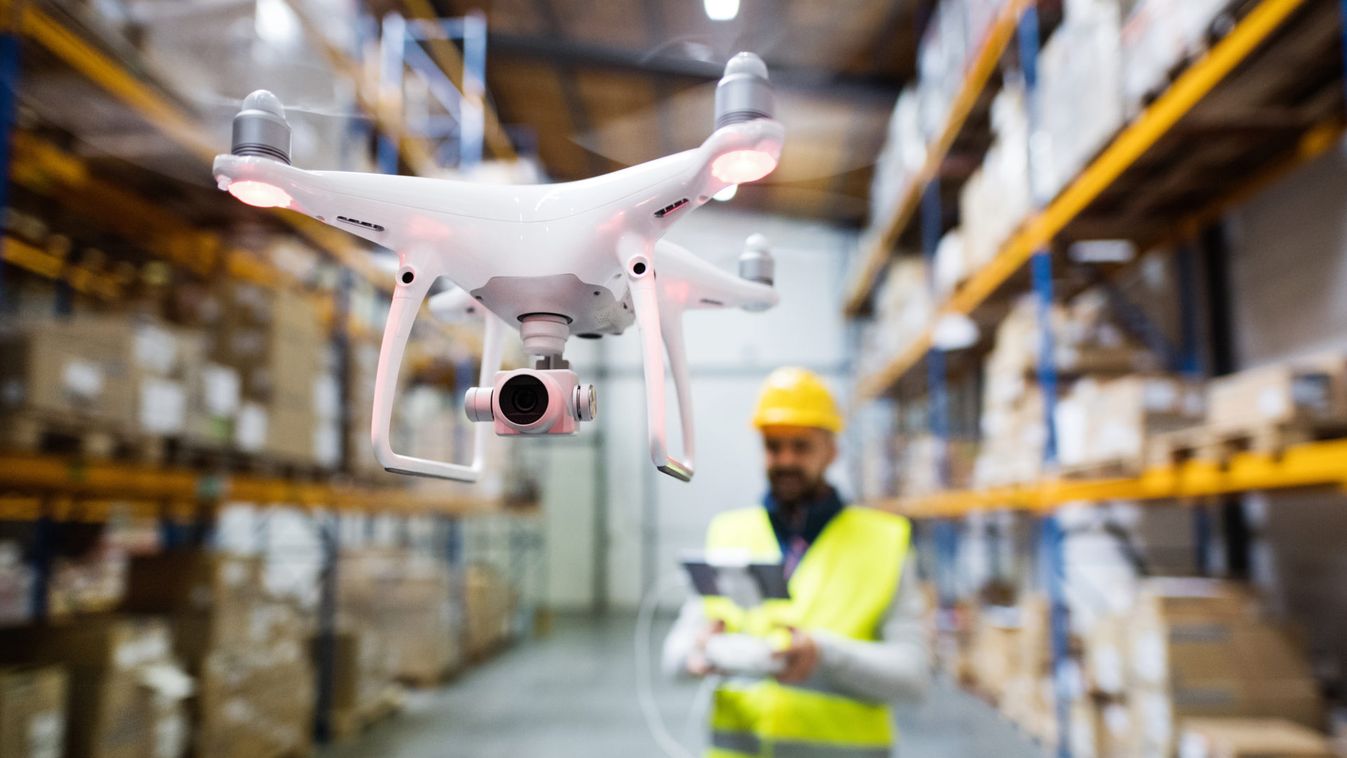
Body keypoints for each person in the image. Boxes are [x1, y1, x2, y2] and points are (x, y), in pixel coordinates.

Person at [663, 367, 929, 758]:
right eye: (774, 446)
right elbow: (674, 657)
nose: (785, 460)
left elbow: (913, 679)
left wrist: (824, 655)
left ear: (832, 451)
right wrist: (698, 652)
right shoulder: (729, 533)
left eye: (801, 446)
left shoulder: (884, 540)